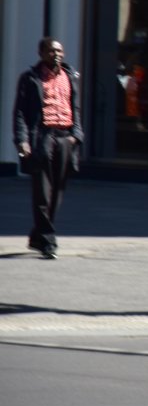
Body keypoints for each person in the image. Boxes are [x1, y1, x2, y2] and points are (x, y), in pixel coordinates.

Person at [12, 37, 83, 259]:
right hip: (42, 137)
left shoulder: (70, 77)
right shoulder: (30, 78)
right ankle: (48, 242)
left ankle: (38, 236)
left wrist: (76, 136)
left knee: (57, 193)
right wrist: (22, 141)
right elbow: (20, 113)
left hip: (65, 138)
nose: (57, 55)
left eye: (60, 51)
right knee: (42, 192)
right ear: (41, 53)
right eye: (52, 51)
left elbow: (76, 108)